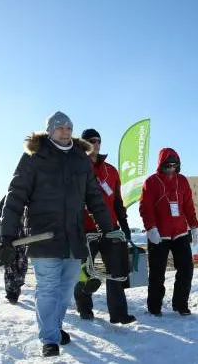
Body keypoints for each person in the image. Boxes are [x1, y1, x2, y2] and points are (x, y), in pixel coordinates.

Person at [0, 111, 114, 358]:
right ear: (49, 130)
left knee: (65, 289)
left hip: (73, 236)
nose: (66, 130)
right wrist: (7, 234)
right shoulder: (34, 156)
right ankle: (49, 338)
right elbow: (16, 194)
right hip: (44, 236)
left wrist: (109, 227)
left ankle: (54, 325)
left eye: (69, 127)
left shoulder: (80, 159)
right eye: (60, 127)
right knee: (48, 288)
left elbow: (94, 195)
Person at [74, 128, 135, 324]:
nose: (96, 144)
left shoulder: (111, 171)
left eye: (98, 140)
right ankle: (85, 309)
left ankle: (118, 313)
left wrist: (124, 226)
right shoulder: (76, 168)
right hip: (86, 229)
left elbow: (117, 201)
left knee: (116, 271)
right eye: (91, 140)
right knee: (85, 271)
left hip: (110, 228)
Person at [140, 148, 198, 317]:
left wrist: (194, 225)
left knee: (186, 268)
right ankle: (154, 306)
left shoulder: (182, 181)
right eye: (168, 165)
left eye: (175, 165)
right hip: (159, 235)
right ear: (161, 164)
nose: (171, 168)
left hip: (180, 232)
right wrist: (151, 228)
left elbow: (188, 205)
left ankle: (180, 304)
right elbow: (146, 208)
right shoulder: (151, 182)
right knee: (157, 272)